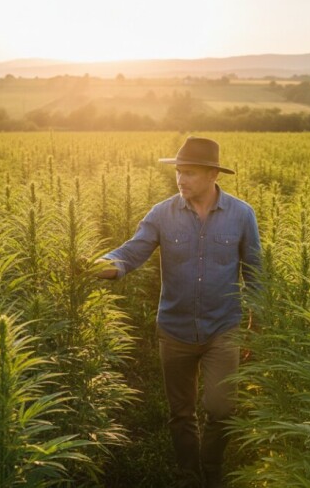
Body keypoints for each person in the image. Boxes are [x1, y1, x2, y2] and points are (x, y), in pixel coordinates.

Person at [96, 136, 261, 487]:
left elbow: (255, 271)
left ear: (213, 174)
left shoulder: (241, 215)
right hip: (175, 330)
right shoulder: (162, 214)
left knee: (221, 409)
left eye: (190, 173)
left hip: (223, 328)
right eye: (178, 173)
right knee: (181, 412)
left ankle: (212, 471)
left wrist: (256, 323)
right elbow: (131, 252)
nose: (181, 180)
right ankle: (189, 475)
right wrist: (100, 266)